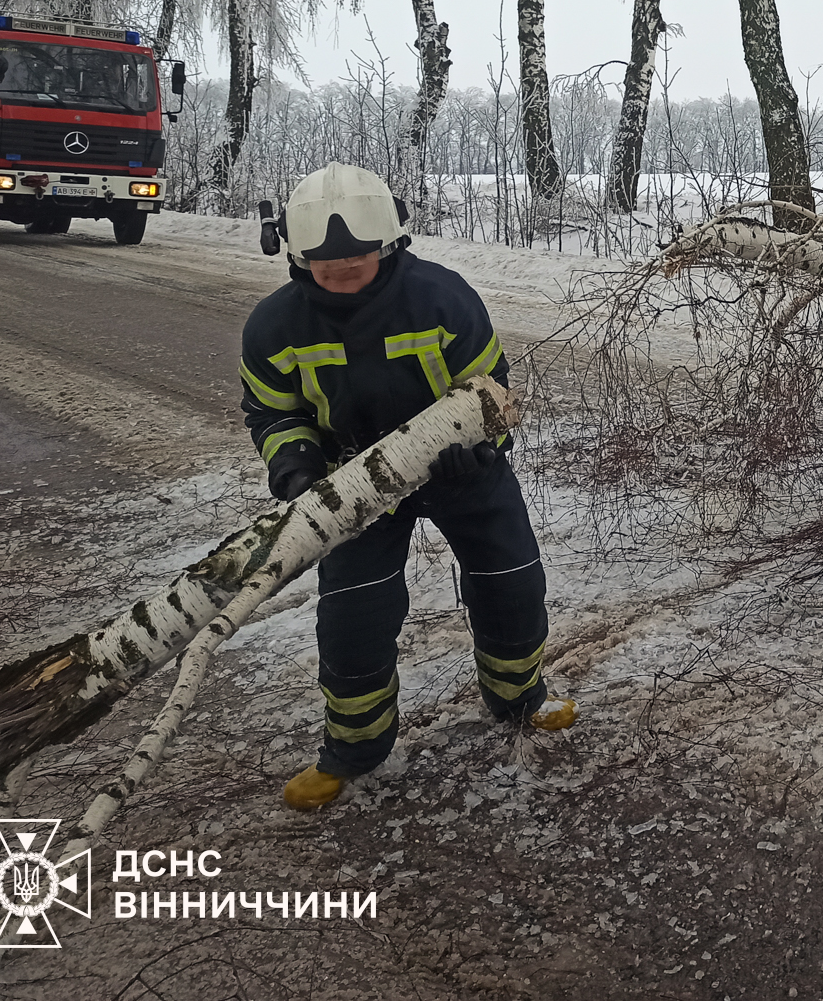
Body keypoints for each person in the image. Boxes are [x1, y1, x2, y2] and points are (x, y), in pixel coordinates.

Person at [239, 163, 576, 812]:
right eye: (324, 264)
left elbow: (491, 392)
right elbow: (273, 413)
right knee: (353, 616)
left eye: (356, 260)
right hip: (353, 482)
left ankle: (520, 697)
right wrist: (296, 468)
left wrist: (478, 448)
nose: (341, 273)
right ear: (292, 250)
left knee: (511, 580)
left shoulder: (443, 299)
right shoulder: (274, 327)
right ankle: (353, 748)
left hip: (460, 470)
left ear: (390, 243)